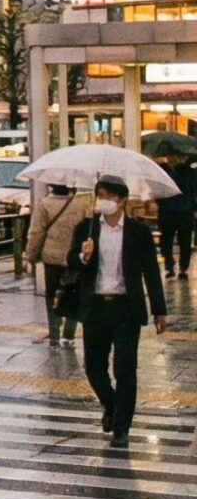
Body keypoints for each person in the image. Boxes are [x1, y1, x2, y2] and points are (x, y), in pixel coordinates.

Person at [69, 175, 171, 450]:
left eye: (109, 196)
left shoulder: (138, 232)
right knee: (94, 368)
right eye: (100, 195)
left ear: (122, 200)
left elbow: (151, 271)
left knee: (125, 369)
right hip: (95, 307)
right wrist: (83, 256)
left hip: (126, 307)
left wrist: (159, 311)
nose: (103, 200)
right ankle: (111, 404)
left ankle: (122, 427)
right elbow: (71, 260)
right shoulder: (87, 228)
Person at [29, 182, 95, 346]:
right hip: (74, 258)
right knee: (73, 294)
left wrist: (31, 254)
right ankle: (69, 335)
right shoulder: (81, 205)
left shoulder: (44, 204)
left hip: (52, 258)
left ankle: (54, 334)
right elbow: (88, 230)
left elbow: (36, 232)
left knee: (51, 295)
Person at [168, 157, 197, 279]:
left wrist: (194, 207)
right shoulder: (164, 170)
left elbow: (194, 190)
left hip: (185, 211)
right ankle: (169, 265)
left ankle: (183, 268)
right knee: (166, 242)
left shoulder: (189, 172)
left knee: (184, 242)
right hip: (167, 211)